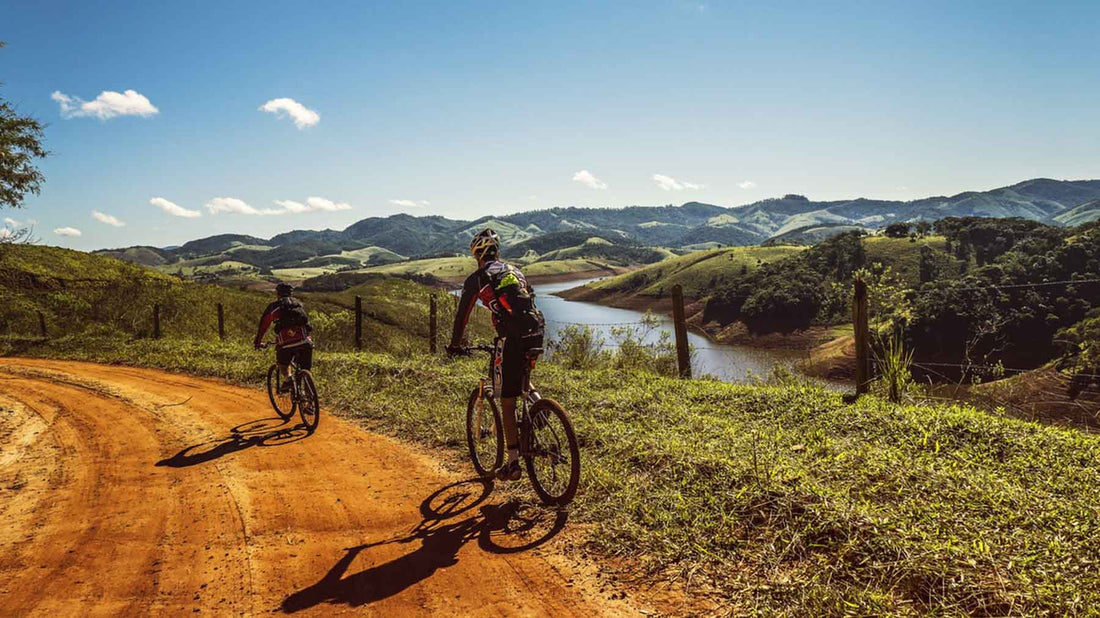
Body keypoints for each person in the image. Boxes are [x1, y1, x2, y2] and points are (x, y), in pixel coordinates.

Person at [447, 228, 545, 481]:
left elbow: (462, 316)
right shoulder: (515, 271)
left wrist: (455, 345)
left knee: (507, 400)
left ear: (477, 255)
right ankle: (540, 405)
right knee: (522, 377)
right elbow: (529, 300)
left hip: (511, 338)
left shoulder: (478, 279)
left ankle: (512, 464)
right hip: (535, 331)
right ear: (496, 252)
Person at [254, 282, 314, 392]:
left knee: (283, 364)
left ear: (278, 294)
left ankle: (288, 380)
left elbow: (263, 325)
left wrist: (258, 342)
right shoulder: (299, 304)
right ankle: (310, 403)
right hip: (305, 341)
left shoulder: (274, 307)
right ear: (291, 293)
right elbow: (307, 324)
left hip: (286, 344)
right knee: (306, 370)